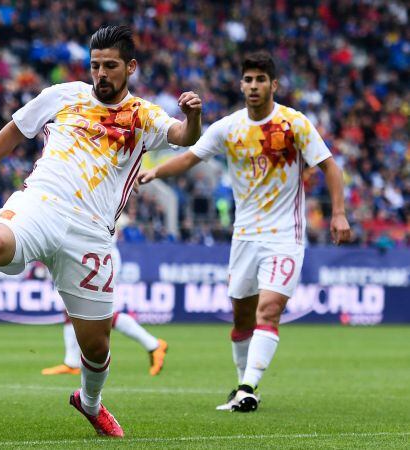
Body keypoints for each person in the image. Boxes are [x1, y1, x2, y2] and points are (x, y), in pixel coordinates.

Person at [0, 25, 202, 437]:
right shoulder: (63, 95)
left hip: (91, 232)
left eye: (110, 66)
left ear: (131, 67)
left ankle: (90, 404)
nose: (101, 74)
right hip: (42, 203)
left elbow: (183, 135)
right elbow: (15, 129)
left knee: (96, 345)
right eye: (95, 66)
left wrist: (193, 115)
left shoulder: (144, 115)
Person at [138, 51, 350, 412]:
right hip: (245, 236)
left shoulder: (294, 124)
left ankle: (248, 385)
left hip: (285, 235)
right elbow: (190, 157)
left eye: (260, 80)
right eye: (248, 80)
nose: (254, 86)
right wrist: (156, 172)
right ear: (241, 84)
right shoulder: (228, 127)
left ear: (273, 84)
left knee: (268, 310)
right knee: (241, 318)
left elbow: (330, 167)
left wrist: (339, 214)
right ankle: (243, 387)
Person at [42, 240, 168, 377]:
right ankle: (72, 362)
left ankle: (154, 345)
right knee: (70, 305)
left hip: (98, 254)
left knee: (98, 312)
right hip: (81, 252)